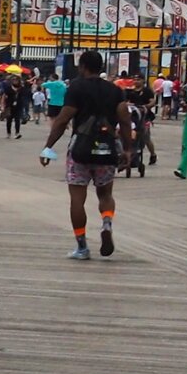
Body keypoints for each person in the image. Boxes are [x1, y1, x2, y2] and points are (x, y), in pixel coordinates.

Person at [40, 51, 129, 261]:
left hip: (81, 148)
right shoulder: (115, 90)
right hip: (107, 149)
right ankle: (106, 223)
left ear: (82, 67)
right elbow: (125, 119)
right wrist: (127, 149)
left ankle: (82, 247)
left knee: (77, 200)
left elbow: (62, 120)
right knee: (105, 195)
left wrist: (48, 147)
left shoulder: (76, 88)